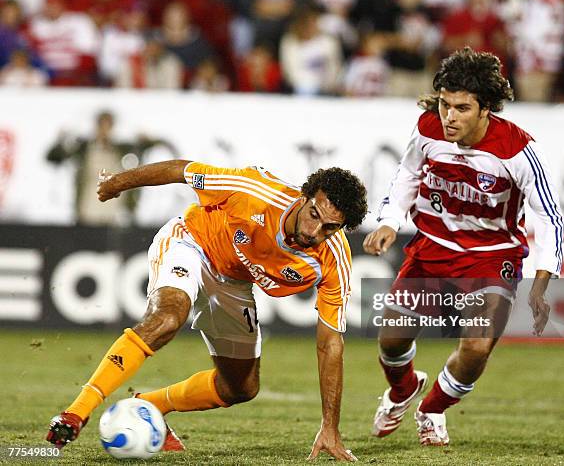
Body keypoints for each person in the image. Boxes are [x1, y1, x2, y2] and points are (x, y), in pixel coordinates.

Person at [46, 160, 367, 461]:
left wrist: (330, 426)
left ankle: (147, 404)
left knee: (241, 388)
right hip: (191, 243)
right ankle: (76, 412)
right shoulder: (252, 189)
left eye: (329, 227)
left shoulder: (332, 259)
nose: (314, 232)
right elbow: (181, 170)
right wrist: (117, 183)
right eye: (314, 215)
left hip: (233, 282)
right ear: (304, 197)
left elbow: (330, 344)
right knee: (167, 318)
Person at [363, 47, 564, 446]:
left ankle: (432, 408)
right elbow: (408, 173)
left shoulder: (518, 151)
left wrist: (541, 284)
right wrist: (389, 220)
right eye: (444, 104)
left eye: (461, 108)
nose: (449, 117)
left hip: (491, 256)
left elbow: (548, 219)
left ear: (486, 109)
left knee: (476, 346)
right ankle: (403, 391)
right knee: (391, 338)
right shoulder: (427, 128)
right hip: (433, 247)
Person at [46, 110, 176, 226]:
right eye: (101, 126)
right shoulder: (83, 149)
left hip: (115, 216)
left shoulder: (122, 150)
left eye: (108, 126)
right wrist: (60, 140)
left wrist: (148, 140)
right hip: (86, 213)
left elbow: (159, 147)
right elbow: (53, 158)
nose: (104, 130)